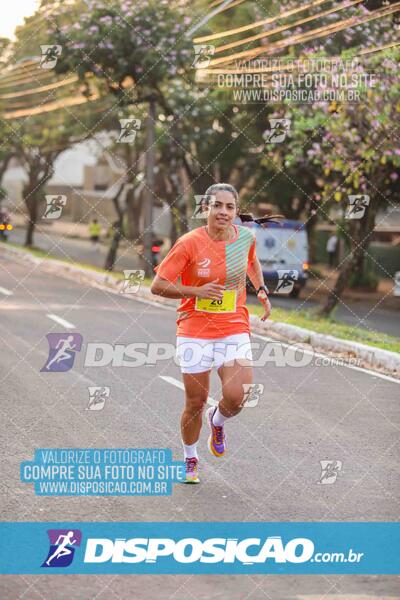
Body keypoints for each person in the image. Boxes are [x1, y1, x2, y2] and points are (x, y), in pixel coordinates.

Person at [151, 183, 272, 484]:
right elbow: (158, 286)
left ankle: (217, 421)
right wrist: (196, 290)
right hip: (195, 329)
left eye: (230, 207)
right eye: (217, 205)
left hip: (233, 325)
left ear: (235, 211)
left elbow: (251, 262)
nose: (224, 212)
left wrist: (261, 289)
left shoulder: (245, 238)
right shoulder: (189, 243)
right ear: (205, 208)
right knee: (195, 401)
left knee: (237, 396)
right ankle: (190, 456)